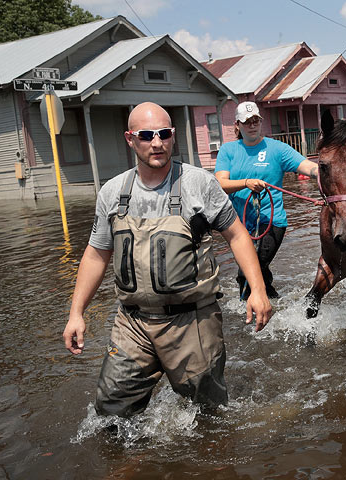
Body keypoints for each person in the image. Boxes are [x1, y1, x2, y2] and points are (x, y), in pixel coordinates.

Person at [62, 102, 272, 418]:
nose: (157, 143)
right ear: (130, 139)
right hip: (132, 323)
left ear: (173, 136)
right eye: (147, 135)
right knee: (111, 413)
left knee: (208, 416)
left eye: (164, 134)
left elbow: (237, 235)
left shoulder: (199, 183)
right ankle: (126, 467)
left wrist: (257, 290)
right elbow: (96, 254)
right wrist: (76, 313)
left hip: (192, 322)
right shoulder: (112, 192)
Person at [215, 101, 318, 299]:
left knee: (250, 269)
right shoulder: (228, 150)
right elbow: (220, 183)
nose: (252, 125)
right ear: (237, 125)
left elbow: (307, 167)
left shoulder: (277, 149)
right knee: (255, 271)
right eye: (247, 122)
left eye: (256, 121)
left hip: (272, 221)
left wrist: (322, 172)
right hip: (239, 225)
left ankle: (254, 311)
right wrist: (246, 183)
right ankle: (276, 306)